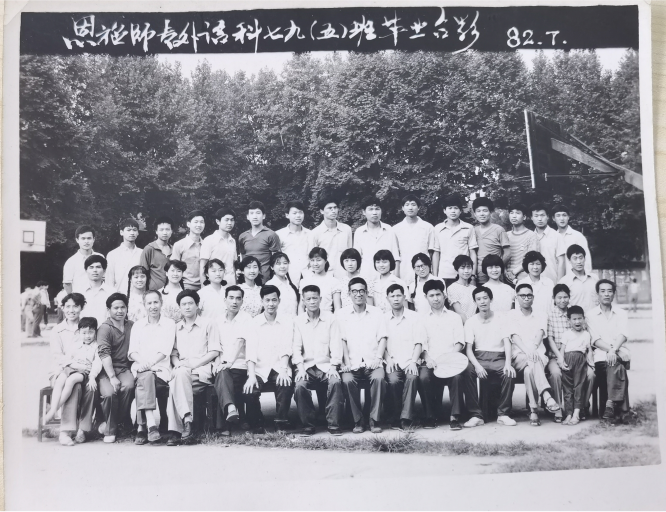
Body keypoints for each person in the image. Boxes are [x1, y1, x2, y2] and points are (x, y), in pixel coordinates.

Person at [419, 280, 484, 430]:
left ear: (444, 295)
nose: (435, 299)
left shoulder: (454, 317)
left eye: (438, 294)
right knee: (423, 378)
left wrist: (449, 359)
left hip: (452, 359)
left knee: (456, 377)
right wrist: (428, 359)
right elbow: (422, 344)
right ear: (426, 297)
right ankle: (430, 416)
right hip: (431, 361)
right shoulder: (422, 319)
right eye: (431, 296)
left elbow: (459, 342)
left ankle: (454, 417)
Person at [167, 290, 222, 445]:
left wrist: (192, 365)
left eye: (190, 303)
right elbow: (174, 353)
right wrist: (177, 363)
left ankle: (175, 431)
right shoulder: (176, 327)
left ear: (197, 305)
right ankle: (187, 422)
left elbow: (214, 351)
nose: (187, 307)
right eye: (183, 304)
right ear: (179, 307)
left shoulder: (208, 324)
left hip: (201, 369)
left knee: (175, 384)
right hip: (182, 369)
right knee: (179, 376)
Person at [337, 277, 388, 434]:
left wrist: (378, 358)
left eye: (361, 291)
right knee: (347, 381)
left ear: (366, 293)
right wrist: (346, 362)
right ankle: (358, 420)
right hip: (351, 362)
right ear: (349, 294)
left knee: (379, 379)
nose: (358, 294)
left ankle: (374, 419)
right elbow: (342, 340)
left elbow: (383, 337)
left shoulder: (377, 313)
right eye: (354, 291)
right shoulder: (341, 314)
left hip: (373, 361)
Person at [292, 284, 345, 436]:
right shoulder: (298, 321)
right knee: (300, 386)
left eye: (315, 298)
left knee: (335, 382)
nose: (312, 302)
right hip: (307, 366)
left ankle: (333, 424)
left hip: (327, 365)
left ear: (320, 299)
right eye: (308, 299)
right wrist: (300, 368)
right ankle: (308, 425)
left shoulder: (331, 319)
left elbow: (336, 345)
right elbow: (296, 348)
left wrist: (334, 367)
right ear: (303, 301)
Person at [506, 283, 561, 426]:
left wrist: (533, 348)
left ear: (533, 297)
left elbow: (540, 334)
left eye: (529, 295)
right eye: (522, 295)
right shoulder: (511, 315)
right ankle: (547, 395)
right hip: (519, 357)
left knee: (529, 371)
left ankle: (533, 410)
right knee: (532, 360)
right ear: (517, 297)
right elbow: (515, 337)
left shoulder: (541, 315)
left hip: (538, 356)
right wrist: (528, 351)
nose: (526, 298)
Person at [243, 285, 295, 434]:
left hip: (280, 366)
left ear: (279, 301)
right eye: (267, 300)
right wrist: (251, 375)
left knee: (285, 383)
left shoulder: (286, 321)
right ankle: (257, 422)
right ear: (262, 301)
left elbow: (286, 348)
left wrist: (284, 370)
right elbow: (250, 351)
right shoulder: (254, 322)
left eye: (274, 300)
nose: (271, 304)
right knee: (250, 390)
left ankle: (281, 422)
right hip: (259, 368)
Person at [128, 290, 176, 445]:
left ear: (161, 303)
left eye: (156, 302)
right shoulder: (138, 325)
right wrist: (144, 364)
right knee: (146, 376)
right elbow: (132, 351)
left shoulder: (169, 324)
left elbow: (165, 351)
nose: (153, 306)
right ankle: (151, 425)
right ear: (144, 305)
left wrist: (148, 365)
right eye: (149, 303)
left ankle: (142, 427)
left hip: (161, 369)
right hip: (141, 368)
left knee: (145, 379)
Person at [464, 286, 516, 426]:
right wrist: (477, 366)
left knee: (508, 373)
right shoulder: (471, 321)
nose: (482, 302)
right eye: (479, 299)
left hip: (498, 357)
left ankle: (503, 414)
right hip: (479, 357)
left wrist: (508, 363)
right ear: (475, 302)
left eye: (485, 298)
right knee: (468, 371)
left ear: (490, 299)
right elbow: (469, 349)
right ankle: (476, 415)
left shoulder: (501, 318)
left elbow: (507, 342)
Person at [49, 293, 96, 445]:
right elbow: (57, 356)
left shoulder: (86, 327)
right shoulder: (57, 330)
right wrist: (75, 366)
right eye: (67, 306)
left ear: (82, 307)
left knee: (91, 387)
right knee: (74, 386)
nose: (71, 310)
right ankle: (66, 431)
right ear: (62, 308)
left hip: (85, 370)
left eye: (75, 306)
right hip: (62, 370)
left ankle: (82, 428)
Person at [43, 317, 102, 426]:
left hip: (84, 371)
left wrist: (92, 377)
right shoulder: (76, 344)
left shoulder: (96, 347)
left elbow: (97, 363)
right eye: (84, 333)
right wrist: (71, 365)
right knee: (60, 380)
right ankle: (53, 409)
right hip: (71, 367)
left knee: (71, 380)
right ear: (79, 333)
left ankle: (55, 409)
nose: (87, 336)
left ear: (95, 332)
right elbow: (66, 358)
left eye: (91, 332)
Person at [587, 279, 631, 424]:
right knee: (617, 367)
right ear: (597, 294)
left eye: (610, 291)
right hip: (601, 355)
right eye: (603, 291)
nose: (606, 294)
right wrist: (613, 351)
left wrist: (613, 350)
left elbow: (623, 334)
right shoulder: (590, 315)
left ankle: (610, 404)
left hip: (619, 351)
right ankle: (623, 410)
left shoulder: (621, 313)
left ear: (614, 294)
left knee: (614, 362)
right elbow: (595, 340)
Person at [382, 284, 425, 430]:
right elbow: (381, 343)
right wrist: (388, 359)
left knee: (412, 378)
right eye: (392, 296)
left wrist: (413, 361)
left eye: (399, 295)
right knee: (393, 381)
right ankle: (395, 415)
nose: (396, 299)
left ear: (404, 297)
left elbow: (419, 342)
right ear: (387, 298)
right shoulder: (383, 319)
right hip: (392, 361)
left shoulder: (415, 317)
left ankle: (406, 418)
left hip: (410, 360)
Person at [213, 285, 253, 434]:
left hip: (240, 365)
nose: (234, 302)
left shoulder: (246, 319)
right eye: (231, 298)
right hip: (222, 365)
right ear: (225, 300)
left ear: (242, 301)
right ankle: (232, 410)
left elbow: (240, 342)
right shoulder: (217, 320)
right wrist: (218, 363)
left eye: (238, 298)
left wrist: (229, 362)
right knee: (222, 374)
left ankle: (224, 425)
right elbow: (216, 346)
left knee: (224, 376)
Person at [96, 293, 135, 443]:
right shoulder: (105, 328)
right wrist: (112, 377)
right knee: (110, 393)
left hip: (124, 368)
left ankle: (118, 423)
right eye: (116, 308)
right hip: (106, 370)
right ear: (109, 310)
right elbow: (104, 353)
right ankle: (110, 430)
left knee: (129, 387)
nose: (120, 311)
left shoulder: (131, 325)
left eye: (123, 307)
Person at [557, 306, 594, 425]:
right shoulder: (567, 334)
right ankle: (568, 414)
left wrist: (590, 362)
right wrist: (561, 361)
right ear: (569, 321)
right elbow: (562, 349)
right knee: (567, 388)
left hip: (580, 361)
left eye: (580, 318)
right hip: (567, 361)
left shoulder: (586, 334)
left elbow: (589, 350)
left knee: (579, 386)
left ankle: (576, 414)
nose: (577, 321)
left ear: (584, 319)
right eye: (574, 319)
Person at [544, 284, 575, 423]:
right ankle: (557, 408)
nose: (563, 300)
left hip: (573, 354)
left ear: (569, 297)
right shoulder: (550, 316)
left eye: (565, 297)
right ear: (554, 299)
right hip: (555, 356)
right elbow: (550, 339)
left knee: (587, 374)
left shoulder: (573, 313)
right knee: (556, 374)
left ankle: (579, 407)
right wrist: (560, 357)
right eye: (559, 297)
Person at [434, 193, 478, 286]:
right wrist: (435, 276)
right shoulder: (437, 228)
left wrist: (473, 275)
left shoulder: (468, 228)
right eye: (450, 208)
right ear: (444, 211)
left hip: (464, 275)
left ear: (460, 211)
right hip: (444, 274)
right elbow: (436, 253)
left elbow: (472, 252)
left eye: (456, 208)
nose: (453, 211)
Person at [392, 194, 436, 286]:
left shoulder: (428, 227)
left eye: (413, 204)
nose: (410, 207)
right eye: (407, 205)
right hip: (404, 271)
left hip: (424, 271)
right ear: (402, 208)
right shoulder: (396, 229)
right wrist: (396, 276)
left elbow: (431, 253)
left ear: (418, 207)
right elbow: (395, 255)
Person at [353, 195, 401, 279]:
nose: (374, 213)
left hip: (387, 277)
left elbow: (396, 257)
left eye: (377, 209)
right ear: (364, 212)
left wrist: (396, 279)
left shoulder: (389, 230)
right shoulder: (359, 232)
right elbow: (356, 259)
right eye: (371, 209)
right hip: (366, 277)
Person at [238, 201, 281, 283]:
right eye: (252, 213)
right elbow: (242, 258)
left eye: (258, 213)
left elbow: (277, 260)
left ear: (264, 216)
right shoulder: (242, 236)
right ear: (247, 217)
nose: (255, 216)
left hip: (265, 280)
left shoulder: (271, 235)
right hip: (248, 280)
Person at [311, 197, 353, 278]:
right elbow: (313, 258)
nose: (333, 211)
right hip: (325, 276)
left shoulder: (346, 229)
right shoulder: (315, 233)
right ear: (322, 211)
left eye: (335, 207)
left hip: (344, 274)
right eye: (330, 208)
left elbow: (350, 253)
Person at [473, 197, 510, 284]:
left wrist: (496, 267)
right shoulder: (473, 231)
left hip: (496, 275)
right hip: (479, 276)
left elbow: (508, 254)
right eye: (478, 211)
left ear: (490, 212)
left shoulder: (499, 230)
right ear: (475, 214)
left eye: (485, 210)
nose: (482, 214)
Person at [275, 201, 313, 286]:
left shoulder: (310, 234)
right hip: (287, 277)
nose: (298, 216)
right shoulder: (279, 235)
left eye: (300, 212)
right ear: (287, 215)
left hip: (308, 276)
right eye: (294, 213)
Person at [200, 207, 238, 286]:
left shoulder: (232, 241)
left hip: (231, 284)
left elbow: (233, 266)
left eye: (232, 220)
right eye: (226, 220)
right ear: (218, 221)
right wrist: (204, 288)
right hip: (215, 285)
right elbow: (202, 266)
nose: (229, 223)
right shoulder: (209, 240)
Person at [552, 204, 593, 276]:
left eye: (564, 215)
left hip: (575, 277)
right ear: (553, 218)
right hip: (558, 278)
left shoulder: (577, 236)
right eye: (558, 216)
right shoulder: (552, 237)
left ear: (568, 217)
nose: (562, 218)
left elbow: (586, 259)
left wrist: (586, 277)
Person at [298, 247, 342, 314]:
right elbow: (301, 306)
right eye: (312, 260)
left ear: (325, 261)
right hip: (308, 318)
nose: (315, 264)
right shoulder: (305, 281)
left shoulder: (333, 281)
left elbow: (337, 307)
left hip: (328, 318)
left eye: (318, 260)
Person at [557, 244, 599, 314]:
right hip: (575, 319)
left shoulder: (595, 278)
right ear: (569, 260)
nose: (579, 262)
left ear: (585, 259)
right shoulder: (564, 282)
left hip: (594, 319)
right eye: (575, 258)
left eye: (581, 257)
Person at [531, 203, 566, 283]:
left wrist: (559, 284)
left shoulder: (556, 236)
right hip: (533, 283)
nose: (540, 219)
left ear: (547, 217)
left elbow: (561, 262)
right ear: (531, 218)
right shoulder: (530, 237)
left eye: (542, 215)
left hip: (552, 281)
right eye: (536, 216)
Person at [505, 203, 539, 284]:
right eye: (511, 213)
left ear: (524, 217)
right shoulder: (506, 235)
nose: (514, 216)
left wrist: (514, 272)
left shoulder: (531, 235)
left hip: (524, 279)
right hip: (506, 278)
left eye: (517, 213)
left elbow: (531, 258)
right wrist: (505, 272)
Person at [172, 210, 206, 290]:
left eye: (201, 222)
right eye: (196, 222)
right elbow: (173, 268)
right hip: (185, 288)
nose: (199, 225)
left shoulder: (207, 245)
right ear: (188, 224)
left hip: (204, 287)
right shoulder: (179, 245)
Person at [106, 219, 143, 292]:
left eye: (134, 230)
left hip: (139, 296)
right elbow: (109, 281)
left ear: (138, 233)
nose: (132, 233)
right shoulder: (112, 254)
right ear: (121, 232)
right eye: (128, 230)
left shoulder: (142, 253)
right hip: (119, 296)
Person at [63, 225, 102, 294]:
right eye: (83, 238)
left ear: (94, 239)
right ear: (77, 240)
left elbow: (105, 279)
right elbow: (67, 284)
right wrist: (73, 298)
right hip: (80, 298)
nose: (86, 241)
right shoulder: (71, 261)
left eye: (89, 238)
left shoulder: (100, 257)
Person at [140, 216, 174, 291]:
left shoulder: (174, 249)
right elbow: (142, 273)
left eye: (167, 229)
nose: (165, 232)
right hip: (153, 292)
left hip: (171, 291)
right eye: (161, 230)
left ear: (171, 231)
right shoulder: (149, 249)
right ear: (156, 231)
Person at [516, 251, 554, 317]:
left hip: (547, 320)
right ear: (527, 265)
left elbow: (553, 305)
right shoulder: (521, 283)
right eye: (532, 264)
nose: (535, 267)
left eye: (538, 264)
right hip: (527, 320)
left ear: (542, 266)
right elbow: (518, 307)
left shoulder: (549, 283)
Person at [369, 249, 407, 314]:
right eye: (378, 262)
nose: (381, 265)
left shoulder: (399, 282)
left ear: (391, 263)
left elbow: (406, 308)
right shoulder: (372, 284)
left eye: (384, 262)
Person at [80, 255, 113, 326]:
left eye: (98, 267)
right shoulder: (79, 291)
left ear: (104, 271)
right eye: (91, 267)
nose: (95, 270)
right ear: (86, 271)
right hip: (84, 331)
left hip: (106, 330)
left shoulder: (112, 292)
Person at [265, 252, 300, 317]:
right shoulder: (269, 285)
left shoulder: (292, 284)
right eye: (278, 264)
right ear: (272, 267)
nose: (282, 266)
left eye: (285, 263)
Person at [447, 255, 477, 324]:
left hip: (474, 324)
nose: (466, 271)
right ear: (457, 270)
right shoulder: (452, 288)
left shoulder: (474, 289)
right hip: (460, 325)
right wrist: (469, 327)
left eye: (469, 267)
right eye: (462, 268)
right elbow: (459, 312)